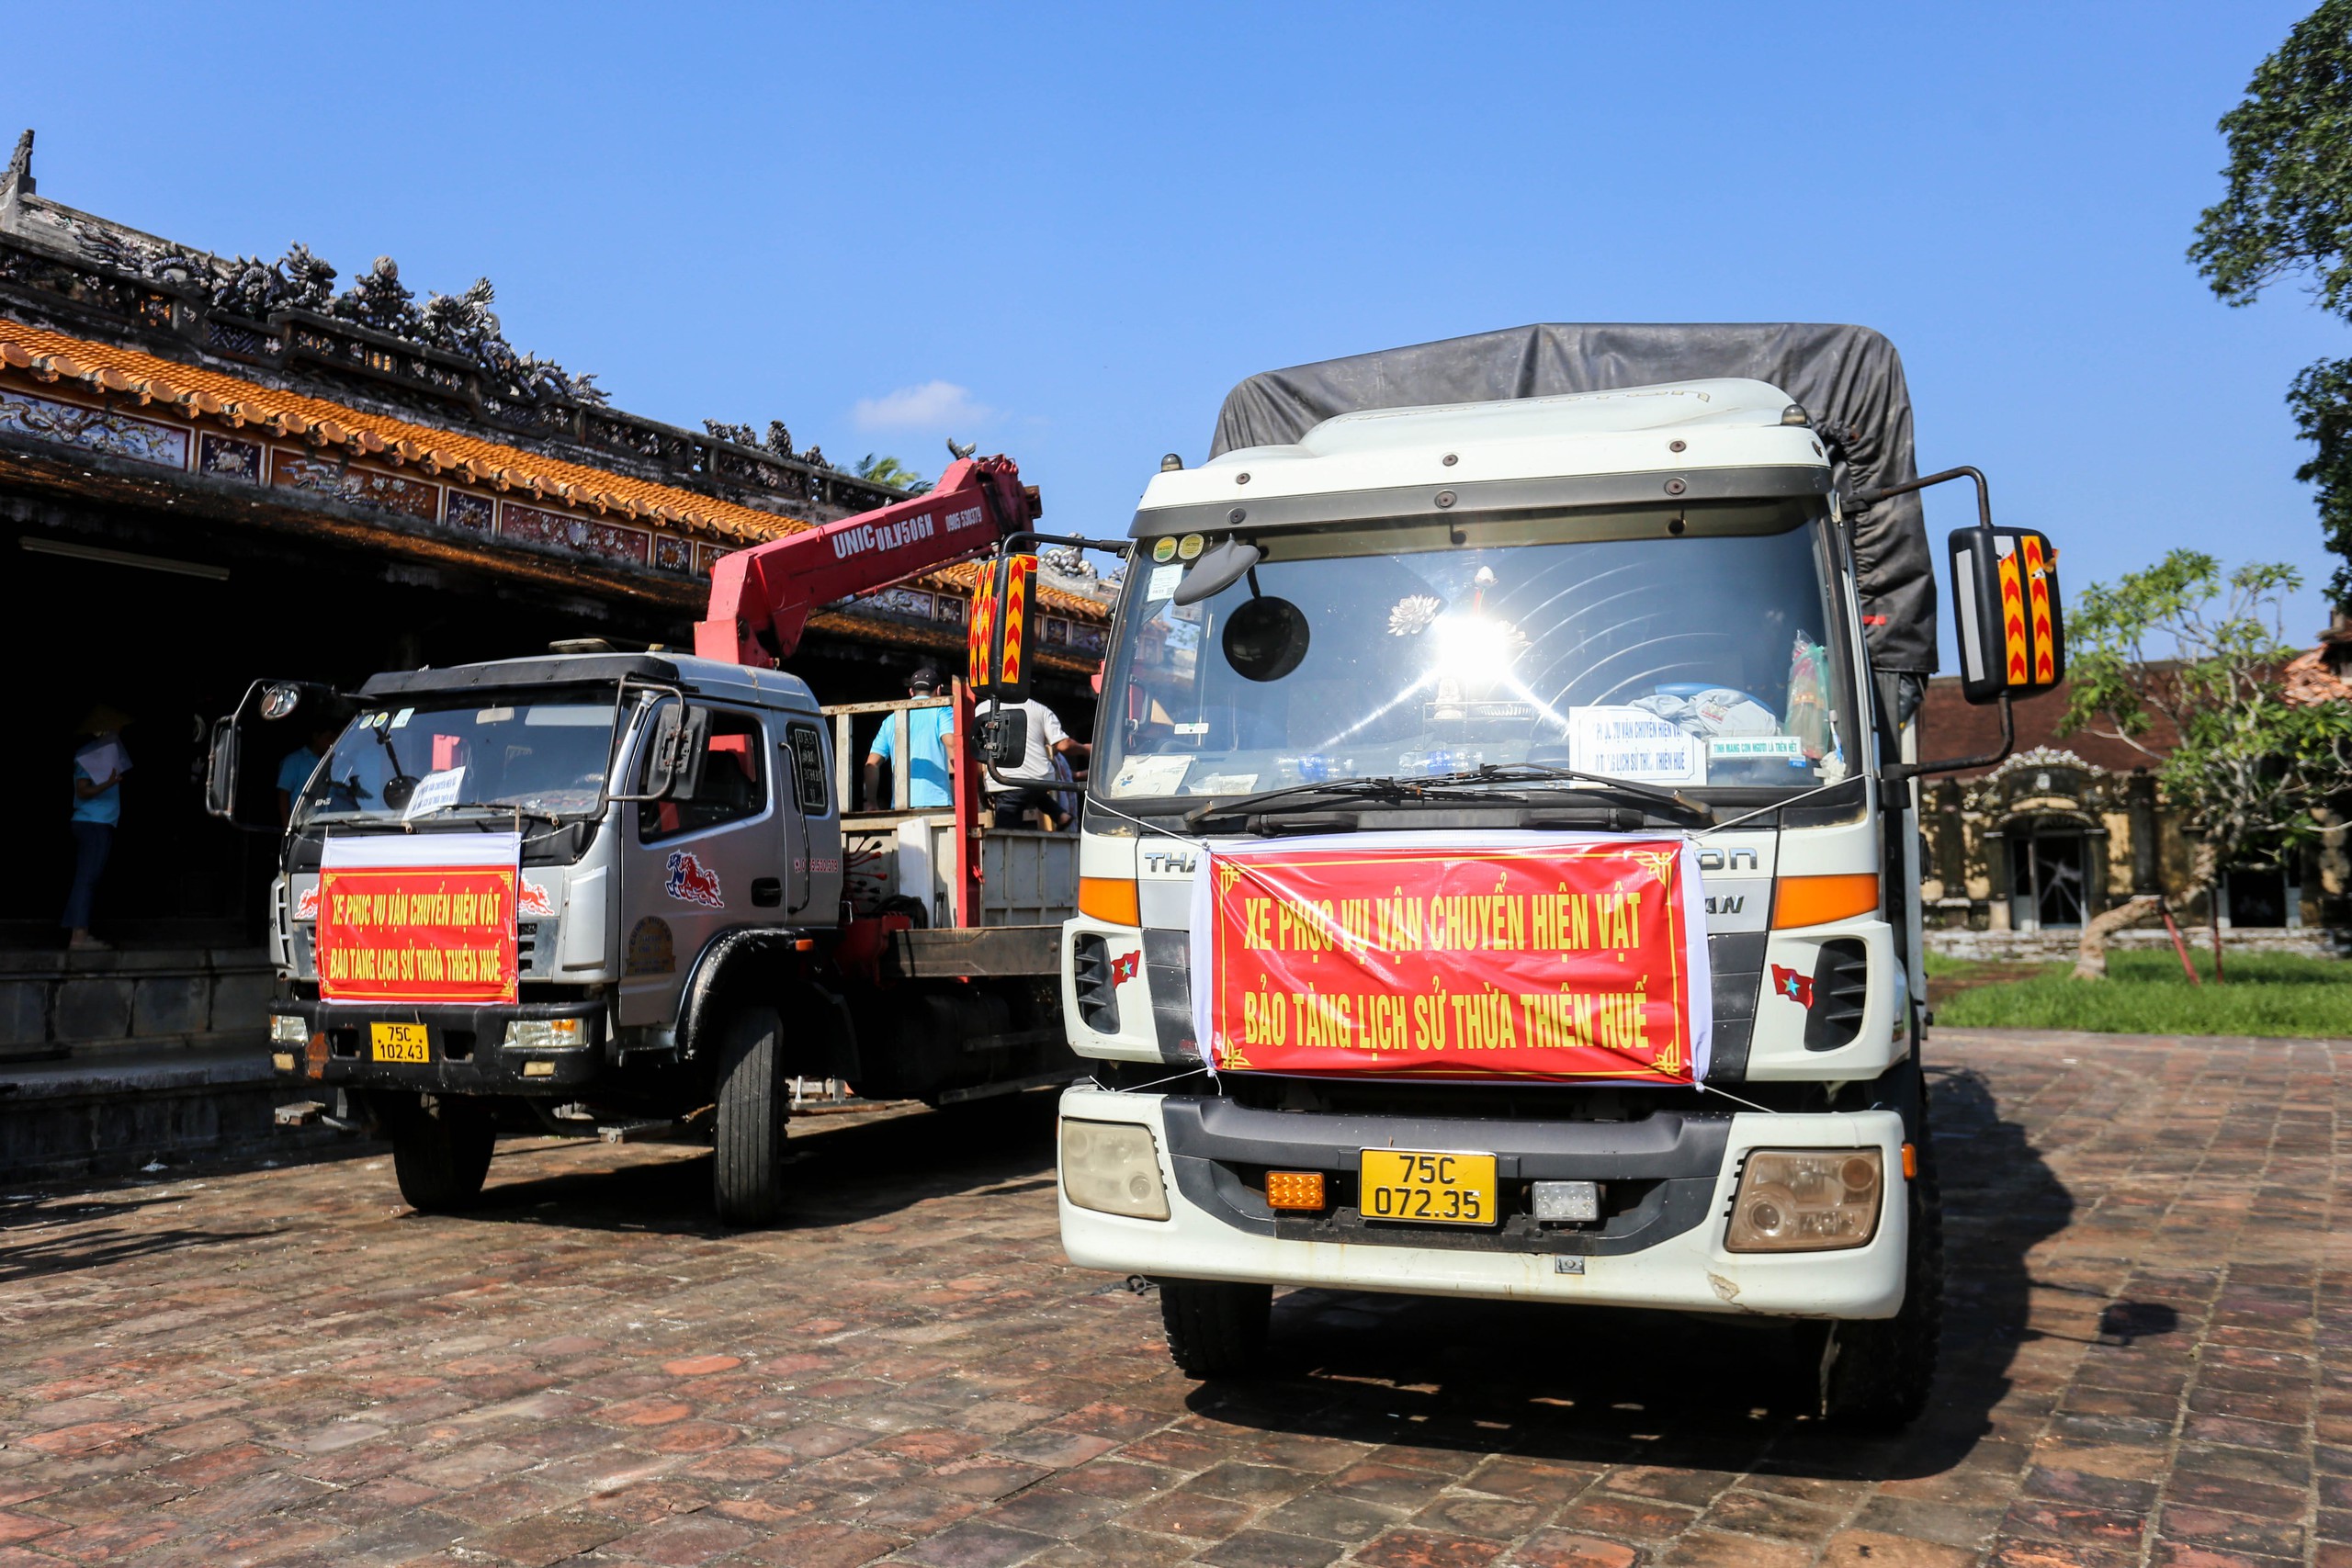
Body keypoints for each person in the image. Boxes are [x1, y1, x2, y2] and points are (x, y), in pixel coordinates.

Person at [62, 705, 132, 950]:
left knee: (89, 878)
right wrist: (108, 783)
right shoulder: (88, 755)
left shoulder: (108, 754)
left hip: (101, 821)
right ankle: (78, 937)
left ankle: (82, 933)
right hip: (92, 822)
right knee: (87, 878)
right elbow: (82, 791)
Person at [977, 694, 1088, 829]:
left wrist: (981, 789)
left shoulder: (982, 709)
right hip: (1042, 778)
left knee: (1005, 824)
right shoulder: (1040, 709)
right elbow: (1063, 745)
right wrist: (1087, 749)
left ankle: (1009, 844)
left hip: (1006, 782)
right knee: (1034, 790)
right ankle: (1060, 815)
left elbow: (979, 753)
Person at [863, 667, 956, 810]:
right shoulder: (942, 711)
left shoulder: (891, 720)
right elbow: (952, 745)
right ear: (938, 690)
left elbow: (871, 764)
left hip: (901, 805)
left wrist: (872, 802)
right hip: (938, 802)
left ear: (911, 692)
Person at [277, 723, 342, 825]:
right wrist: (287, 826)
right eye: (328, 738)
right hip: (303, 826)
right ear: (316, 737)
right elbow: (284, 794)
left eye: (334, 739)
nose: (332, 743)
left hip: (331, 824)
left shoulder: (335, 761)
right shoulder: (294, 760)